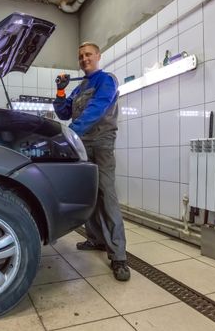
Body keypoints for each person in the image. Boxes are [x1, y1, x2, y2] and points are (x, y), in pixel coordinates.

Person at [53, 42, 130, 281]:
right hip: (82, 144)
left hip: (101, 143)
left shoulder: (106, 80)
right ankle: (96, 239)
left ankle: (118, 256)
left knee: (107, 195)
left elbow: (96, 109)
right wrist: (61, 92)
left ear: (98, 56)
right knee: (89, 194)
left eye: (88, 54)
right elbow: (64, 113)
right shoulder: (80, 87)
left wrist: (70, 133)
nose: (84, 58)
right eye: (81, 56)